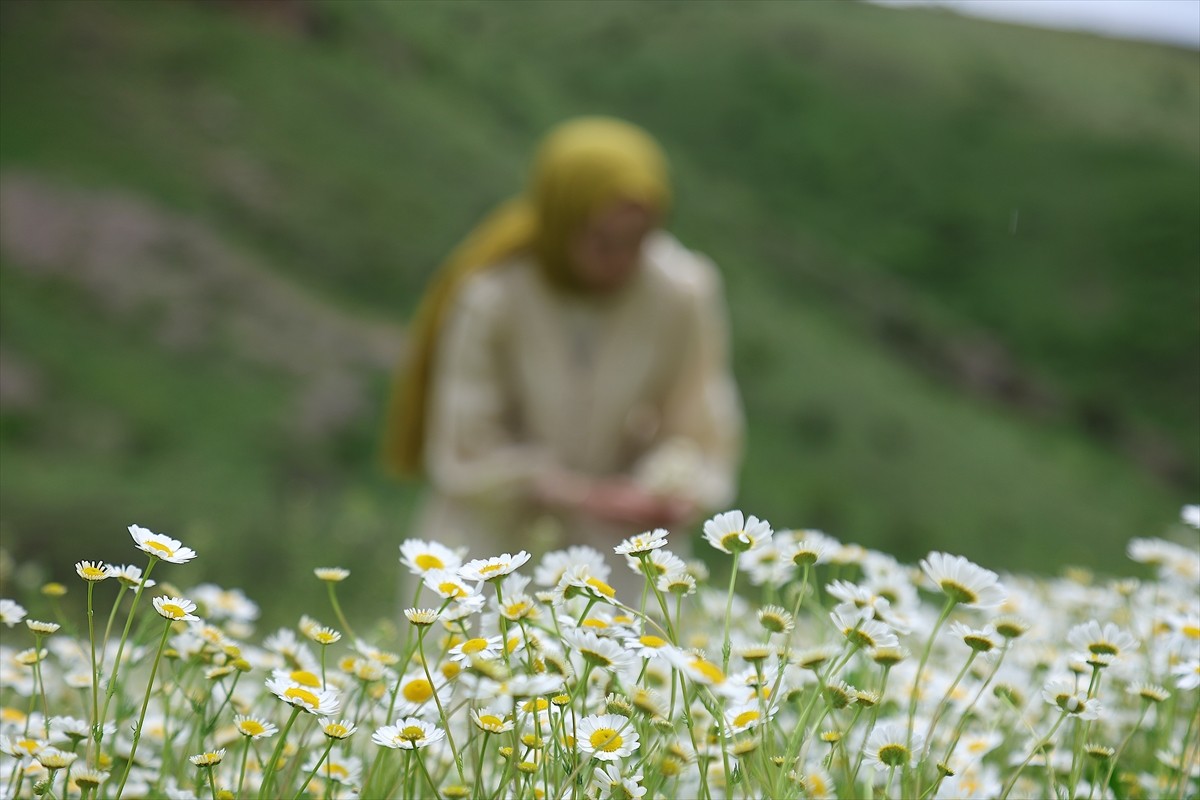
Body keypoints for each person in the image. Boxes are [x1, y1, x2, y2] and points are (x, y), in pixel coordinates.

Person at [383, 116, 743, 595]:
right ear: (561, 221)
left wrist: (672, 486)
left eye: (639, 241)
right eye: (602, 242)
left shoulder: (681, 292)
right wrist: (579, 494)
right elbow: (466, 442)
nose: (621, 260)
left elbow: (698, 418)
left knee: (620, 664)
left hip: (621, 551)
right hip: (487, 550)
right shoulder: (492, 295)